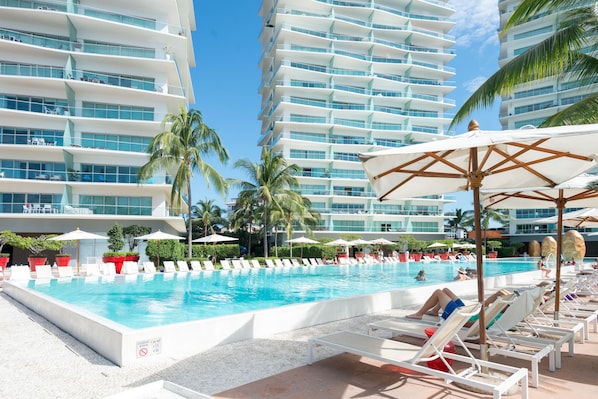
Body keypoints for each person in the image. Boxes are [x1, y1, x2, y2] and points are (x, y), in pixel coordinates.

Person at [406, 287, 511, 320]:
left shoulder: (496, 315)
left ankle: (419, 314)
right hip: (467, 311)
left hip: (462, 316)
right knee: (445, 290)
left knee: (438, 292)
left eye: (505, 303)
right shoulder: (498, 312)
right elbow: (501, 292)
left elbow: (470, 323)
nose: (501, 302)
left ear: (505, 308)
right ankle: (434, 311)